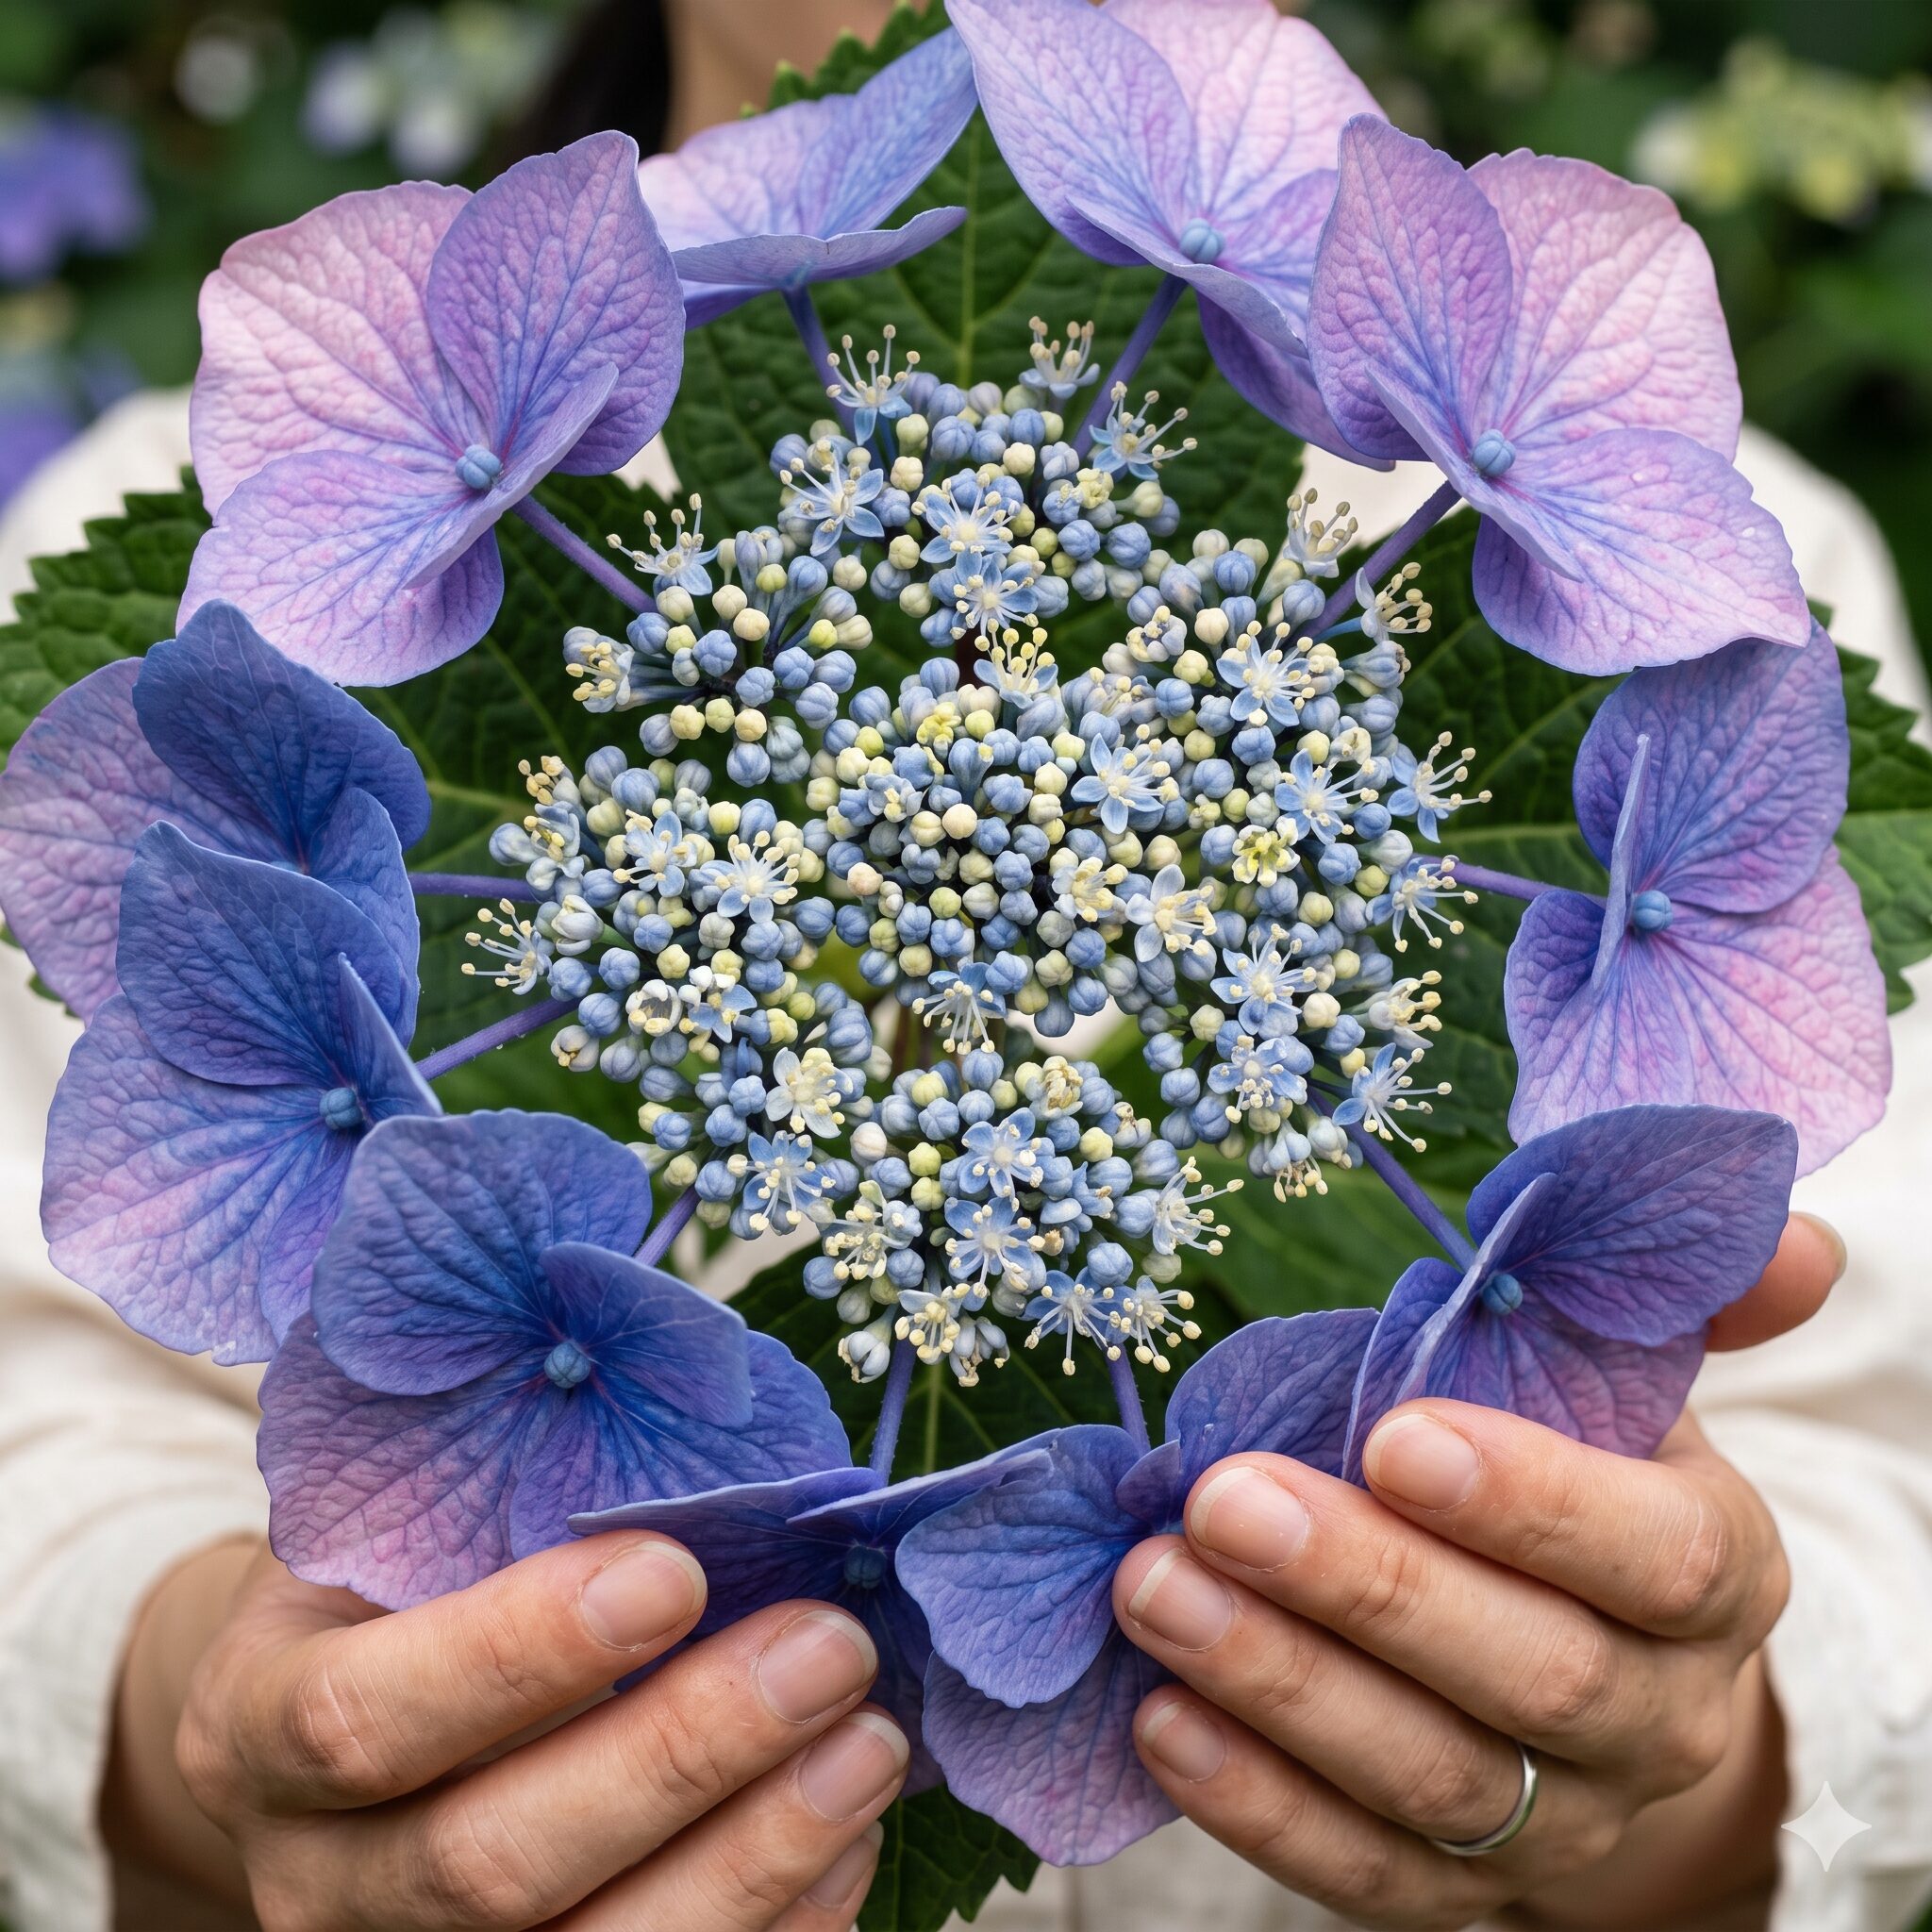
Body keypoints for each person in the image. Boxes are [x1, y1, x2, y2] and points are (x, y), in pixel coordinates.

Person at [5, 16, 1932, 1932]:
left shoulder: (1709, 562)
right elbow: (41, 1437)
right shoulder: (272, 533)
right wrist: (210, 1738)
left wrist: (1691, 1784)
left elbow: (1874, 1502)